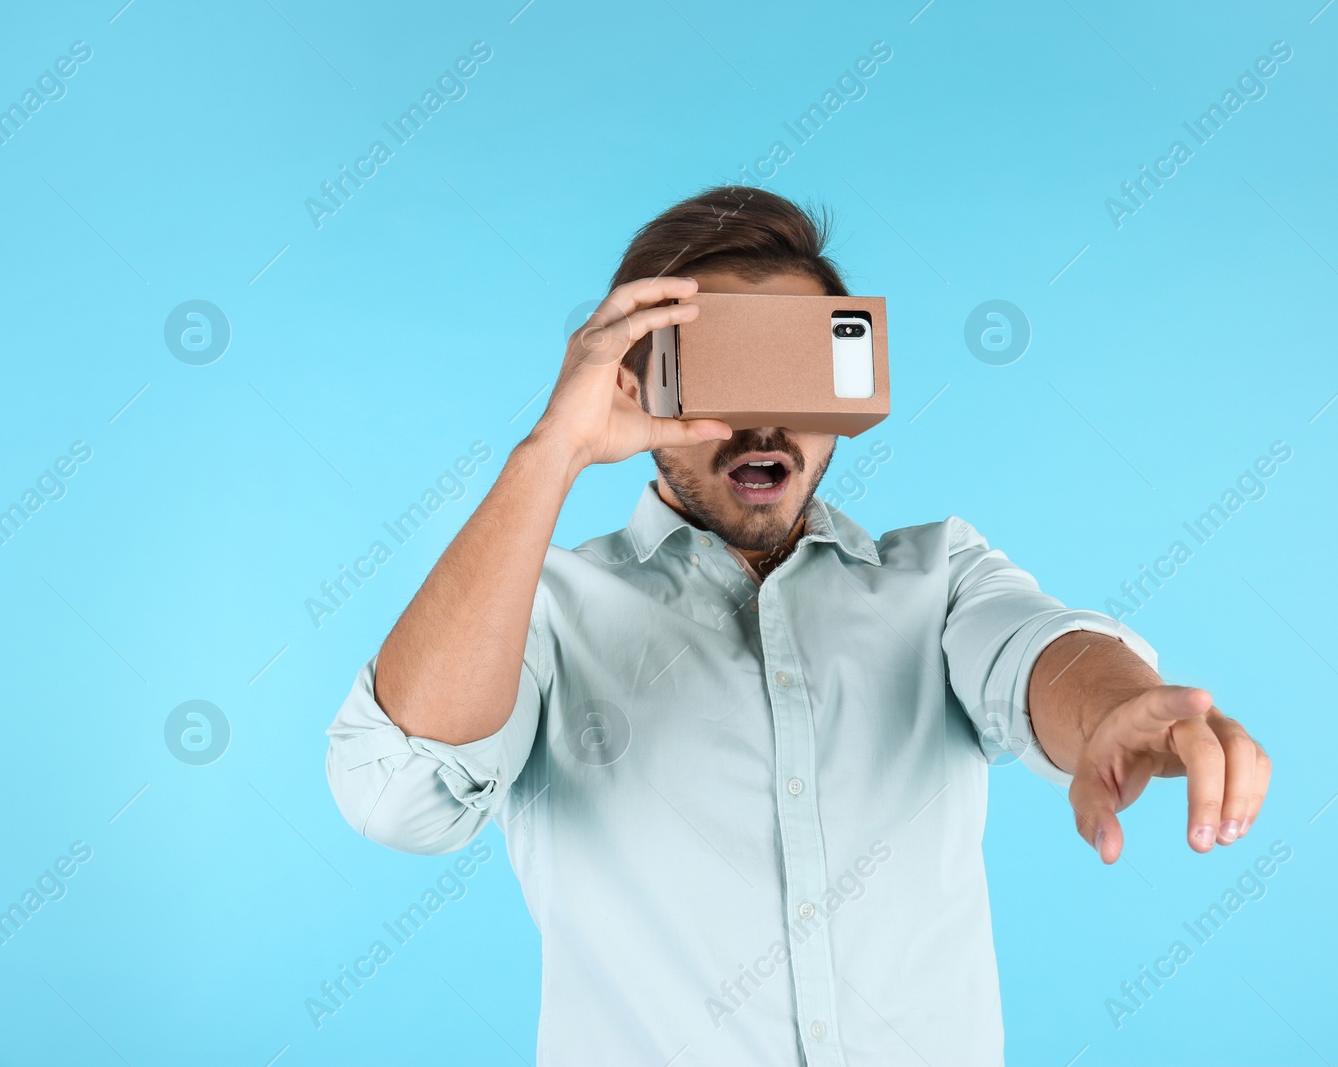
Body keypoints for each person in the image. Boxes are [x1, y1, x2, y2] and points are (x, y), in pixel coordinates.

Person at [324, 185, 1271, 1065]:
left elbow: (1037, 649)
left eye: (798, 365)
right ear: (639, 381)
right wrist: (552, 450)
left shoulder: (938, 575)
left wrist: (1116, 705)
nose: (765, 422)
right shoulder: (538, 615)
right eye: (729, 366)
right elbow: (401, 794)